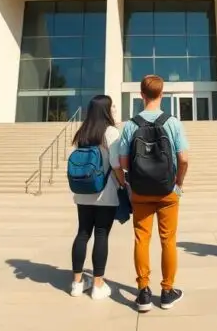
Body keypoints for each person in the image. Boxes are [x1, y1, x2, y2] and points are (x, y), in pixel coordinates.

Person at [118, 75, 190, 312]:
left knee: (142, 238)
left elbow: (124, 162)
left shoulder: (130, 125)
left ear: (141, 95)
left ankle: (143, 292)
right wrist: (178, 184)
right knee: (168, 240)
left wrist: (134, 181)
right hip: (168, 190)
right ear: (162, 94)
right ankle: (167, 291)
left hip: (140, 191)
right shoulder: (173, 123)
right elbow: (184, 159)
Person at [69, 95, 126, 300]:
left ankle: (76, 283)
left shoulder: (82, 132)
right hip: (105, 193)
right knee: (101, 234)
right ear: (107, 110)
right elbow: (116, 164)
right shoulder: (110, 132)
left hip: (82, 193)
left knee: (82, 233)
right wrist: (123, 183)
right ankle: (98, 285)